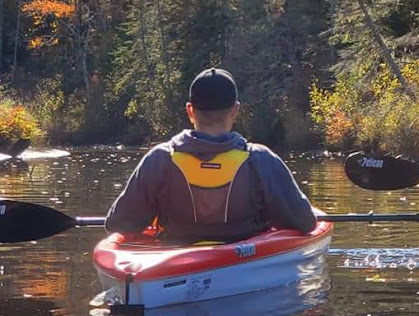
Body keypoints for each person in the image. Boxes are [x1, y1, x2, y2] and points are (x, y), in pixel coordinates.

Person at [106, 68, 317, 242]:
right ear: (235, 110)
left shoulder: (160, 159)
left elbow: (117, 223)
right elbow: (305, 222)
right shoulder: (261, 159)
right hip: (244, 265)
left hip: (175, 267)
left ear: (190, 111)